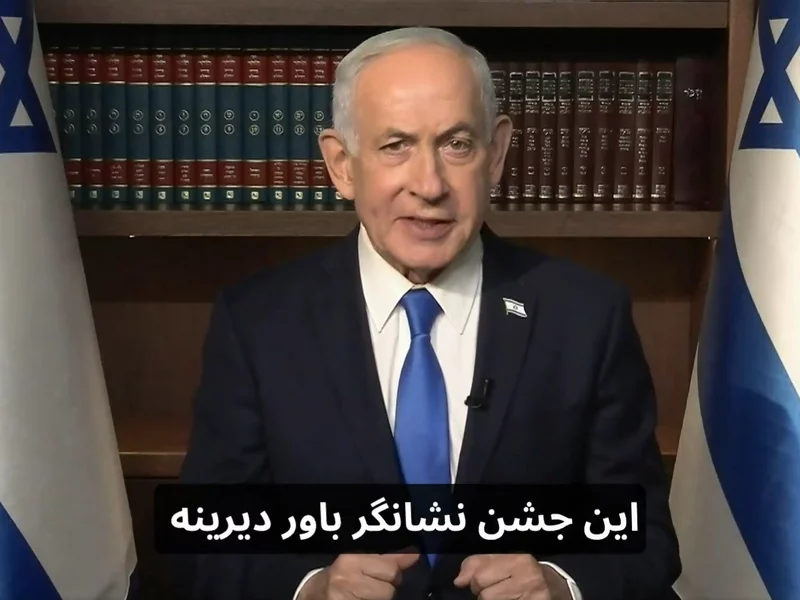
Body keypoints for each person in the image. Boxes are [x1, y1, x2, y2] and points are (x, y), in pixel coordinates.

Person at [177, 27, 681, 600]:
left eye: (456, 144)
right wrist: (311, 587)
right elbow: (203, 540)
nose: (430, 184)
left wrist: (561, 584)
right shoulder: (258, 323)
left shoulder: (586, 316)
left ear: (496, 154)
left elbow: (646, 536)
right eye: (396, 145)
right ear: (342, 165)